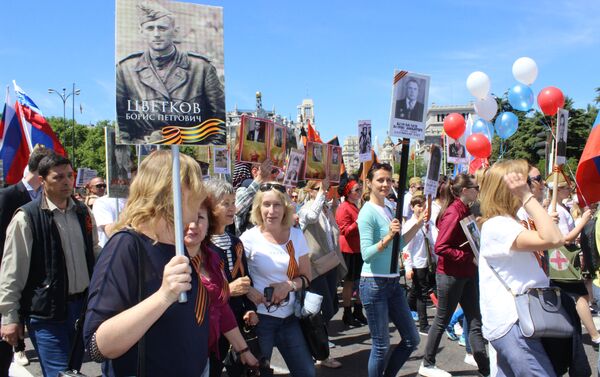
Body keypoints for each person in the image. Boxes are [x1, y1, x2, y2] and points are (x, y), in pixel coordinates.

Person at [83, 150, 210, 376]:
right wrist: (163, 296)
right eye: (196, 185)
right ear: (176, 193)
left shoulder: (176, 246)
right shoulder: (127, 246)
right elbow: (98, 345)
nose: (203, 193)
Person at [478, 160, 590, 376]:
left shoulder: (507, 221)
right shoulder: (497, 225)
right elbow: (555, 238)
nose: (531, 185)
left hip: (521, 319)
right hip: (514, 321)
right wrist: (526, 196)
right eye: (524, 181)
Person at [0, 154, 100, 377]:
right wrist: (10, 318)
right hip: (45, 315)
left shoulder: (83, 212)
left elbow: (95, 253)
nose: (66, 181)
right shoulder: (27, 217)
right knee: (60, 373)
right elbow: (11, 271)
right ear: (43, 181)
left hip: (80, 310)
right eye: (58, 177)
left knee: (72, 370)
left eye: (70, 176)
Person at [116, 2, 225, 143]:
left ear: (175, 30)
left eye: (162, 28)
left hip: (189, 149)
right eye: (150, 28)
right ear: (141, 31)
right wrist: (132, 148)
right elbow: (121, 125)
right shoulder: (125, 70)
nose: (156, 34)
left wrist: (203, 149)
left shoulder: (201, 68)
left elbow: (219, 123)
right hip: (144, 152)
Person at [240, 182, 315, 377]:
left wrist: (288, 285)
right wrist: (248, 290)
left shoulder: (297, 236)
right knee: (258, 373)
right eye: (266, 205)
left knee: (307, 372)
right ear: (258, 208)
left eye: (277, 205)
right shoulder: (248, 239)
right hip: (260, 320)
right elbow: (232, 278)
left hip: (290, 319)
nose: (271, 211)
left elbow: (307, 277)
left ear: (285, 208)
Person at [419, 174, 489, 377]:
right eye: (475, 187)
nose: (478, 190)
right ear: (465, 191)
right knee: (442, 319)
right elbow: (441, 247)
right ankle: (427, 363)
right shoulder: (453, 212)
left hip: (467, 273)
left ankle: (485, 368)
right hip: (450, 274)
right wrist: (468, 258)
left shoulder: (464, 209)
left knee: (475, 319)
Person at [357, 162, 423, 377]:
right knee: (381, 345)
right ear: (369, 183)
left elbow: (399, 244)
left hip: (393, 281)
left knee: (412, 338)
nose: (385, 184)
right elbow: (366, 253)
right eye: (380, 180)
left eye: (388, 179)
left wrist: (418, 225)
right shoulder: (367, 213)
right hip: (373, 282)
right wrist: (387, 237)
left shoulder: (388, 208)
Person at [185, 197, 259, 377]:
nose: (193, 224)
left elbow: (221, 306)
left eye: (200, 217)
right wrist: (228, 290)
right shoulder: (164, 258)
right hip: (179, 356)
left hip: (212, 345)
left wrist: (243, 350)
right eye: (187, 217)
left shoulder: (214, 257)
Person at [0, 146, 53, 374]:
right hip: (11, 275)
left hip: (38, 282)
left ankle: (19, 346)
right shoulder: (8, 196)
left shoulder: (46, 197)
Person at [202, 179, 261, 376]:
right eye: (224, 203)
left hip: (235, 318)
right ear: (209, 205)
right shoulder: (202, 245)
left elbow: (245, 278)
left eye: (233, 202)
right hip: (212, 323)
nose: (231, 208)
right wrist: (230, 289)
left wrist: (249, 309)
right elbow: (205, 288)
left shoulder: (236, 242)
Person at [299, 179, 346, 369]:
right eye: (318, 189)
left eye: (325, 189)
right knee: (322, 310)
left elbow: (333, 235)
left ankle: (317, 347)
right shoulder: (304, 209)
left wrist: (331, 206)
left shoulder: (325, 210)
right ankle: (320, 352)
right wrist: (321, 195)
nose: (323, 192)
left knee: (331, 308)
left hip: (329, 264)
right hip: (315, 267)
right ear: (310, 191)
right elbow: (310, 216)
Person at [546, 172, 598, 343]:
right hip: (561, 257)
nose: (570, 191)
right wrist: (583, 220)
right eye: (567, 188)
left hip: (563, 256)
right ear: (558, 190)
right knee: (581, 296)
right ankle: (594, 335)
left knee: (573, 296)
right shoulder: (556, 210)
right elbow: (565, 238)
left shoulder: (561, 208)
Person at [335, 178, 367, 327]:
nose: (359, 192)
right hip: (348, 249)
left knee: (359, 282)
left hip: (357, 249)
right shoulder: (343, 207)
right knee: (349, 283)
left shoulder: (355, 206)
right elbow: (345, 231)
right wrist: (359, 222)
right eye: (356, 190)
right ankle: (347, 312)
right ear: (348, 193)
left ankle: (358, 311)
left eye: (359, 189)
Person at [403, 194, 436, 335]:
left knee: (416, 290)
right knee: (422, 294)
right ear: (412, 207)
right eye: (418, 205)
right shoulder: (410, 225)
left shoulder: (427, 223)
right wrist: (408, 267)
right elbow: (406, 249)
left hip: (427, 262)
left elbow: (432, 242)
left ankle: (404, 310)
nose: (421, 208)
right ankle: (423, 325)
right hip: (417, 263)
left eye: (423, 205)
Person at [234, 159, 278, 236]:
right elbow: (236, 210)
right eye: (271, 170)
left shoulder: (274, 192)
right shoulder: (245, 187)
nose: (275, 175)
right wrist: (260, 179)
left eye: (277, 171)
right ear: (255, 171)